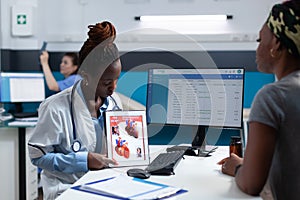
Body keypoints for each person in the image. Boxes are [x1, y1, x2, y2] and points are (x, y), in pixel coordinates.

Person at [28, 21, 122, 199]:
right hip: (67, 189)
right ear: (86, 76)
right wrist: (83, 160)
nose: (114, 88)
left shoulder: (114, 102)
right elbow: (38, 157)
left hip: (107, 185)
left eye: (117, 79)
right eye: (107, 83)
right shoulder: (55, 107)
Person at [218, 1, 300, 199]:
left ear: (276, 45)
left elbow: (251, 184)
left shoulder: (272, 97)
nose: (256, 48)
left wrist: (239, 167)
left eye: (259, 39)